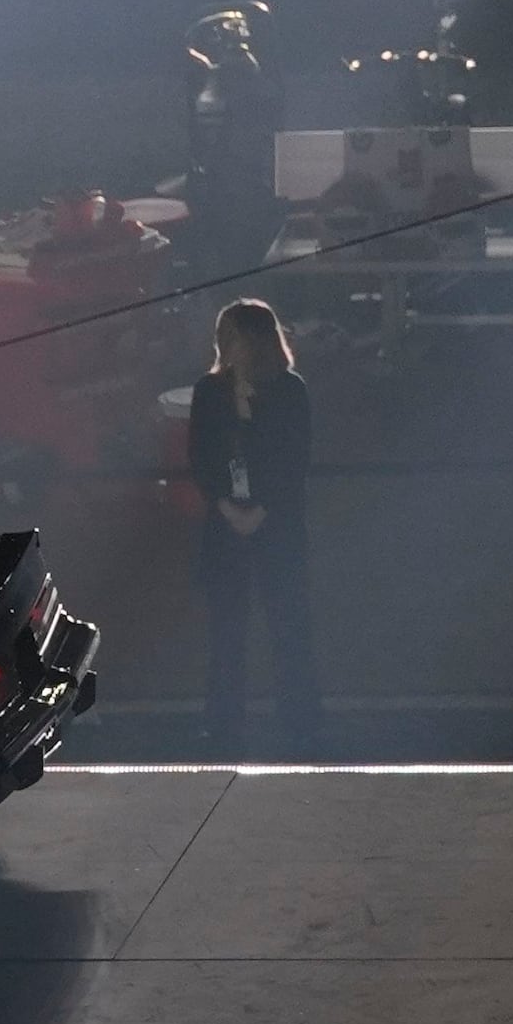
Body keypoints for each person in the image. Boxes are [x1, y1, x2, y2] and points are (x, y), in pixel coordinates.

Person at [187, 293, 316, 756]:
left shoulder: (289, 389)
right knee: (227, 632)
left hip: (276, 525)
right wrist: (226, 507)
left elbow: (294, 459)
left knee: (289, 626)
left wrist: (259, 512)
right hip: (228, 525)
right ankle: (223, 726)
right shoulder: (210, 391)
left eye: (233, 337)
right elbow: (200, 457)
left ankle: (300, 723)